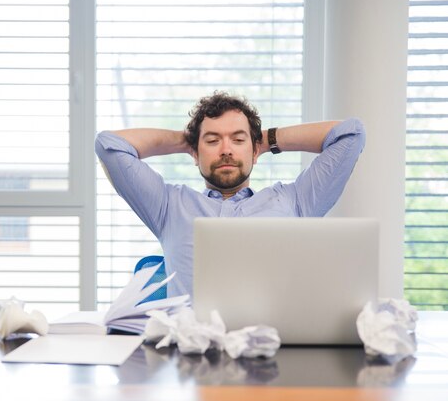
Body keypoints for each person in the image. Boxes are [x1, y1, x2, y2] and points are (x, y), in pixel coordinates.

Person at [95, 91, 365, 297]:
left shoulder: (296, 202)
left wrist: (268, 139)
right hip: (190, 354)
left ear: (255, 150)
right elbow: (110, 145)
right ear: (195, 153)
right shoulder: (167, 205)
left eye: (238, 140)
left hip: (268, 353)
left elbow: (350, 135)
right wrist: (187, 141)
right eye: (212, 141)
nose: (226, 150)